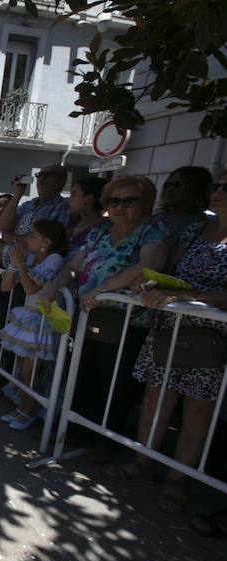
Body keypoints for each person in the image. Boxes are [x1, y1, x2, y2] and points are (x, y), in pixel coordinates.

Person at [106, 169, 227, 513]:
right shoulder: (194, 228)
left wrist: (190, 296)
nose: (218, 192)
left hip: (210, 336)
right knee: (155, 398)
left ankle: (178, 480)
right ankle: (142, 460)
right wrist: (151, 287)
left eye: (226, 187)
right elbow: (168, 271)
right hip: (169, 325)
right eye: (216, 186)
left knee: (197, 410)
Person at [40, 176, 167, 450]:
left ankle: (105, 442)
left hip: (127, 321)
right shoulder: (100, 231)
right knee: (83, 375)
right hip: (89, 315)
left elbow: (148, 266)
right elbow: (73, 265)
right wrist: (51, 289)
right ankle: (75, 431)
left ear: (145, 203)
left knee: (115, 384)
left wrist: (102, 291)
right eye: (114, 201)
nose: (120, 207)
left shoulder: (152, 231)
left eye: (128, 201)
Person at [0, 219, 67, 430]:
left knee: (31, 370)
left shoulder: (54, 259)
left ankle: (30, 412)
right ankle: (21, 407)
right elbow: (6, 286)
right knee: (22, 368)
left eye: (32, 236)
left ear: (46, 241)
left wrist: (21, 264)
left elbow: (30, 289)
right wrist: (13, 263)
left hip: (41, 321)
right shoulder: (33, 257)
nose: (27, 240)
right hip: (28, 318)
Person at [0, 165, 69, 269]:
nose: (42, 179)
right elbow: (3, 226)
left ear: (61, 181)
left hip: (33, 274)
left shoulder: (62, 207)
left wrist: (12, 238)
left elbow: (45, 241)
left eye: (48, 175)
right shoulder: (28, 204)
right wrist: (17, 195)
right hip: (11, 273)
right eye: (39, 175)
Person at [66, 176, 106, 260]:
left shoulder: (103, 230)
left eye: (74, 195)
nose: (69, 200)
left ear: (88, 199)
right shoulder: (71, 222)